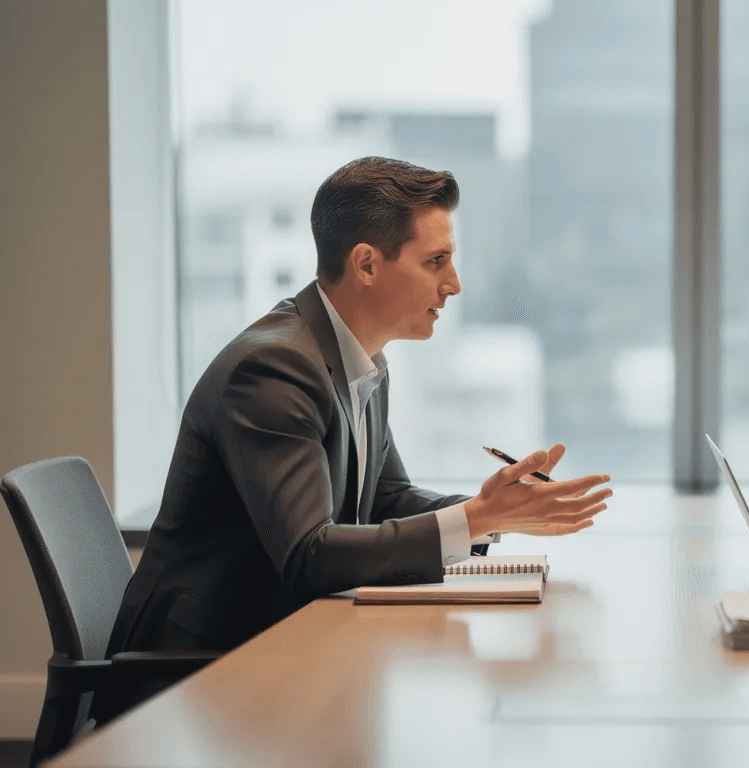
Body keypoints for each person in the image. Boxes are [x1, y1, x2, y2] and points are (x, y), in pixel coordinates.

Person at [107, 156, 612, 662]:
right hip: (196, 670)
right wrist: (475, 519)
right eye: (436, 261)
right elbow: (309, 554)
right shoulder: (273, 368)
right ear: (367, 263)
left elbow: (385, 502)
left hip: (279, 646)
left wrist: (497, 511)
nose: (454, 283)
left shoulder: (362, 360)